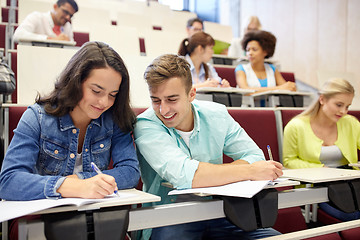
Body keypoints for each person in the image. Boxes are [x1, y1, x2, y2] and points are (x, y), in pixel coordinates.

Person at [134, 54, 283, 240]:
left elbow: (255, 156)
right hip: (169, 215)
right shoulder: (146, 124)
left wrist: (217, 173)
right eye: (156, 100)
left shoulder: (216, 114)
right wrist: (250, 170)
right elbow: (185, 176)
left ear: (191, 94)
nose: (163, 110)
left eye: (172, 99)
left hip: (220, 211)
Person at [0, 41, 140, 201]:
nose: (104, 102)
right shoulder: (36, 117)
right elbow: (9, 181)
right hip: (48, 219)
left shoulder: (114, 118)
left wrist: (81, 178)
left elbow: (130, 172)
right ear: (75, 82)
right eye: (96, 91)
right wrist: (71, 186)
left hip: (98, 216)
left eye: (112, 94)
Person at [283, 78, 360, 221]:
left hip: (350, 183)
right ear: (322, 99)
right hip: (317, 186)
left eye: (347, 106)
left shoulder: (350, 123)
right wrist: (322, 169)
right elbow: (289, 161)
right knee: (352, 215)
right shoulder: (296, 126)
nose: (343, 111)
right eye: (339, 105)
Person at [13, 0, 79, 43]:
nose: (68, 17)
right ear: (55, 7)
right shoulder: (36, 17)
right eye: (65, 12)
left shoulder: (67, 26)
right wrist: (50, 39)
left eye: (71, 15)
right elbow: (18, 35)